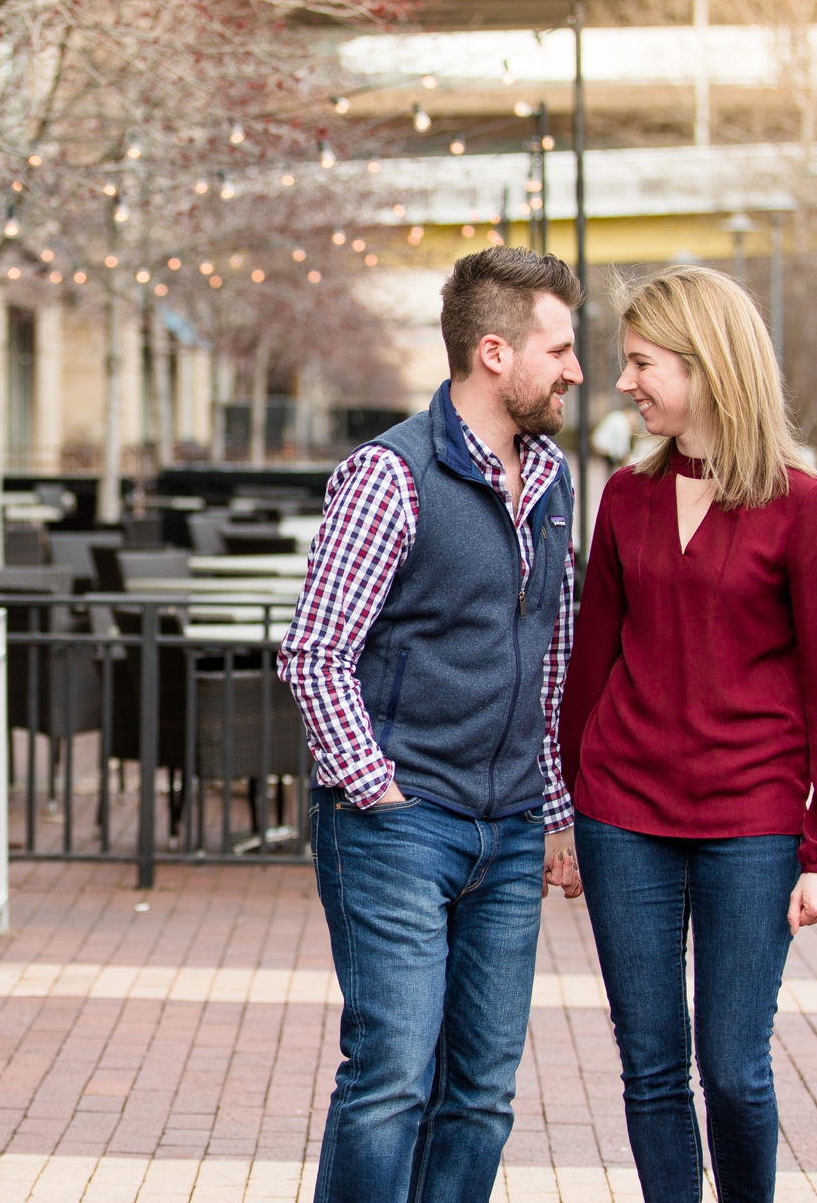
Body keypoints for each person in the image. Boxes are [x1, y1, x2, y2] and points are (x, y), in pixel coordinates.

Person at [279, 247, 586, 1203]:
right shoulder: (389, 474)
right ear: (495, 352)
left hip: (508, 828)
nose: (575, 369)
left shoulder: (552, 479)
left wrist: (557, 809)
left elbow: (553, 656)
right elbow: (315, 649)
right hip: (399, 827)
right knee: (392, 1083)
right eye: (561, 349)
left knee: (483, 1095)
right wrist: (376, 786)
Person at [559, 266, 817, 1203]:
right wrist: (565, 811)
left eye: (643, 363)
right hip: (623, 817)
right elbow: (589, 666)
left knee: (734, 1067)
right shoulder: (627, 498)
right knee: (650, 1069)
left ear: (706, 365)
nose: (624, 382)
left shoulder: (801, 507)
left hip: (753, 825)